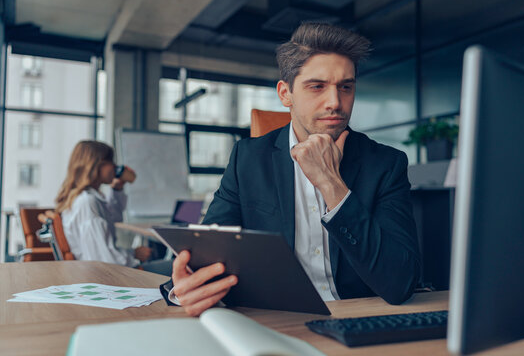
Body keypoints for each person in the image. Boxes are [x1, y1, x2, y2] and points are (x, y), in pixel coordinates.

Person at [164, 22, 421, 316]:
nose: (335, 102)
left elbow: (401, 283)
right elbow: (205, 259)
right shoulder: (247, 158)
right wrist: (184, 289)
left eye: (345, 87)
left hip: (357, 317)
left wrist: (332, 185)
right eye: (317, 87)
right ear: (285, 94)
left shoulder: (386, 164)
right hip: (275, 319)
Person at [56, 140, 154, 269]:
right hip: (109, 275)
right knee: (174, 267)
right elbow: (104, 259)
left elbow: (113, 217)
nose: (114, 167)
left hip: (101, 272)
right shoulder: (87, 203)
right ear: (96, 165)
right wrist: (134, 258)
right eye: (111, 162)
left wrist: (117, 189)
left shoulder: (86, 199)